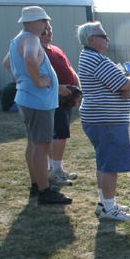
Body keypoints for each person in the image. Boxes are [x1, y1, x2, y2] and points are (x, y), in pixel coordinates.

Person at [3, 6, 71, 204]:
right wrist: (38, 82)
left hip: (28, 100)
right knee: (41, 147)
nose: (46, 25)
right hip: (38, 102)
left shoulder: (17, 40)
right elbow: (31, 58)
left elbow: (7, 64)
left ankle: (36, 185)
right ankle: (44, 191)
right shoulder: (31, 39)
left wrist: (23, 80)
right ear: (32, 22)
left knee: (33, 144)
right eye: (43, 21)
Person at [77, 21, 130, 221]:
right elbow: (123, 83)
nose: (108, 39)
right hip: (107, 121)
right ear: (91, 39)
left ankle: (105, 203)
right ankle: (109, 209)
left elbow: (118, 84)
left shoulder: (91, 57)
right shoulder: (96, 59)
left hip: (101, 119)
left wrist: (124, 84)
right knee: (110, 165)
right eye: (103, 36)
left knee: (104, 163)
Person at [40, 23, 81, 187]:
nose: (49, 32)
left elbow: (70, 69)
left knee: (59, 134)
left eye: (50, 29)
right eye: (45, 29)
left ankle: (55, 168)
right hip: (53, 99)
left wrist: (78, 87)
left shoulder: (55, 49)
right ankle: (55, 170)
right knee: (59, 135)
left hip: (67, 98)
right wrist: (57, 89)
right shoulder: (37, 50)